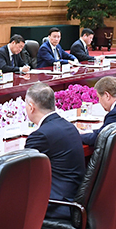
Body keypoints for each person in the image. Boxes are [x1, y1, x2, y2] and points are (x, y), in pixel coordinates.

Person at [23, 83, 85, 219]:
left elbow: (23, 172)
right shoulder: (69, 126)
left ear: (31, 107)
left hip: (58, 204)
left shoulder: (40, 136)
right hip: (75, 198)